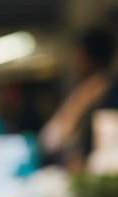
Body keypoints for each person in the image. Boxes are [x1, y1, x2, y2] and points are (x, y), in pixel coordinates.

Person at [39, 28, 116, 169]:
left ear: (90, 58)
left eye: (79, 55)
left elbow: (51, 139)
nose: (75, 61)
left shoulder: (98, 89)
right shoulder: (86, 89)